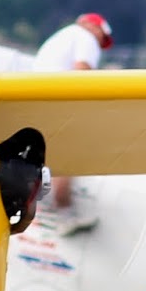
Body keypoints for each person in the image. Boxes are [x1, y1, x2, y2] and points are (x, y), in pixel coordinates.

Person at [31, 13, 113, 234]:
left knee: (53, 153)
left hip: (37, 99)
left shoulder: (61, 37)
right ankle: (64, 213)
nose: (100, 43)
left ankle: (42, 205)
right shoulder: (86, 38)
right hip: (56, 101)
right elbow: (81, 73)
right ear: (93, 27)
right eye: (101, 37)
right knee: (68, 155)